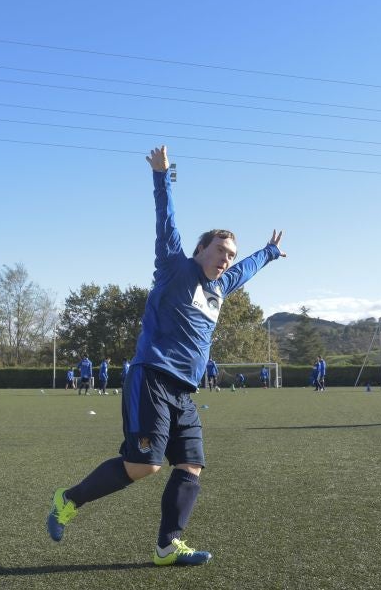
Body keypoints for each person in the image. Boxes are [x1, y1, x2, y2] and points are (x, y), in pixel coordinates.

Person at [46, 145, 286, 566]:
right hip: (152, 378)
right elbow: (166, 221)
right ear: (200, 250)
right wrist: (162, 176)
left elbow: (245, 270)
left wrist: (267, 252)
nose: (226, 259)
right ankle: (68, 500)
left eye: (230, 254)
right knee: (144, 467)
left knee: (191, 465)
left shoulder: (220, 287)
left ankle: (167, 546)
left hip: (184, 392)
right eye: (220, 250)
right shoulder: (176, 267)